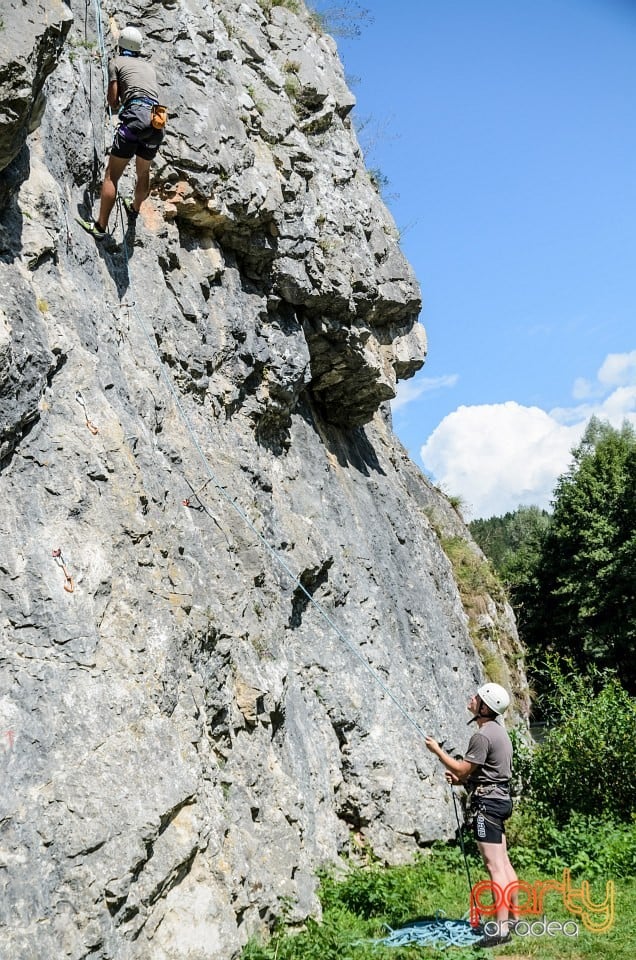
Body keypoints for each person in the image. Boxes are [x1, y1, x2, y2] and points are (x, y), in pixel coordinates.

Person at [425, 683, 518, 948]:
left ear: (485, 707)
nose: (472, 698)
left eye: (477, 697)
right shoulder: (499, 732)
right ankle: (514, 918)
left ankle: (500, 930)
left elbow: (464, 769)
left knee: (494, 867)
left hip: (486, 807)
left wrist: (437, 751)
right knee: (505, 864)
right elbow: (486, 773)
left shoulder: (482, 735)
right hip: (498, 800)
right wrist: (462, 782)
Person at [78, 25, 165, 238]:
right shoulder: (149, 67)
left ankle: (100, 227)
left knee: (112, 176)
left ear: (121, 45)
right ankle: (135, 207)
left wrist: (118, 101)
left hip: (135, 118)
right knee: (143, 171)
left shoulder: (116, 62)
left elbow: (113, 101)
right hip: (158, 118)